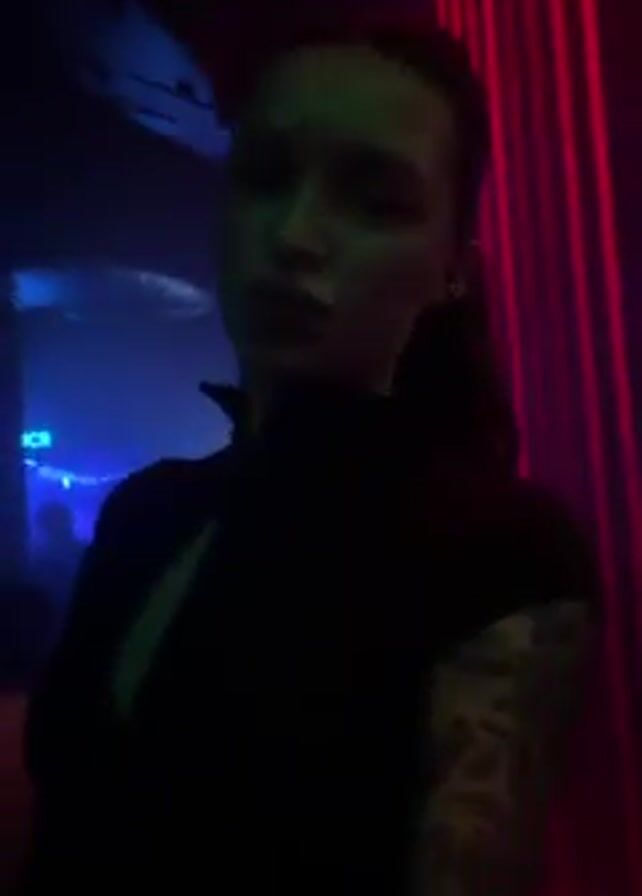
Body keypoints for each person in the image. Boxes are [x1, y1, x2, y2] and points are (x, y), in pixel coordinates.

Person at [22, 11, 602, 895]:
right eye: (265, 177)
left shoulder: (500, 552)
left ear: (453, 266)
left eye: (376, 202)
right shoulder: (148, 513)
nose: (294, 235)